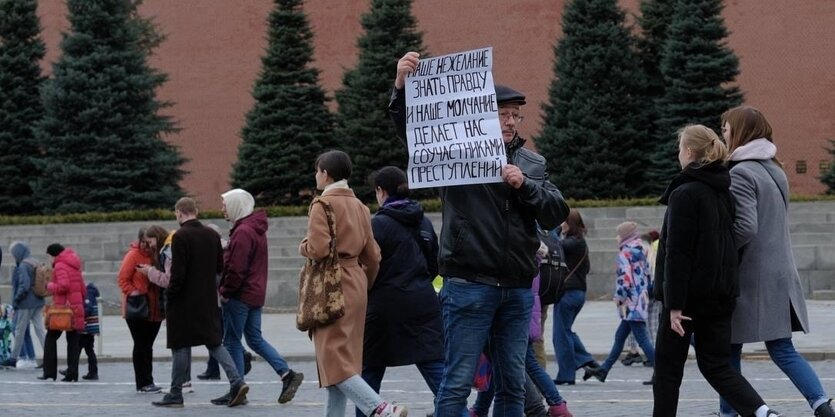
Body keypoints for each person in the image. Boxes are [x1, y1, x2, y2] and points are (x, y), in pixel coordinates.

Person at [390, 51, 569, 417]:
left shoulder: (531, 162)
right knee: (456, 383)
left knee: (511, 386)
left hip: (518, 287)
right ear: (484, 115)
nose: (510, 121)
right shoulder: (455, 153)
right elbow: (415, 131)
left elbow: (556, 210)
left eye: (515, 115)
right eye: (503, 114)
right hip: (470, 284)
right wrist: (402, 88)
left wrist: (525, 187)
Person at [651, 124, 780, 417]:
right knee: (718, 366)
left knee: (667, 372)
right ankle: (761, 412)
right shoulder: (722, 190)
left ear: (687, 152)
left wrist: (674, 305)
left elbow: (678, 254)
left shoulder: (685, 193)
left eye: (679, 149)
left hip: (686, 300)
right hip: (719, 295)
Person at [720, 106, 834, 417]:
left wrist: (718, 247)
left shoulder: (741, 171)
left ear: (741, 131)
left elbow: (745, 226)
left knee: (727, 350)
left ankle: (729, 413)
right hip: (779, 273)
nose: (723, 133)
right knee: (782, 348)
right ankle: (822, 404)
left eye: (727, 128)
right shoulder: (774, 169)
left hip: (750, 277)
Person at [300, 150, 408, 417]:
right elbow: (373, 255)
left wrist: (304, 247)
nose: (316, 176)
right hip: (356, 282)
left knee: (333, 360)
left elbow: (319, 249)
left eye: (317, 171)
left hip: (330, 287)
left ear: (325, 174)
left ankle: (381, 409)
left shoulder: (321, 205)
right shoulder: (360, 206)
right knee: (344, 361)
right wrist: (364, 283)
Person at [357, 166, 444, 417]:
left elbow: (368, 263)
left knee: (369, 372)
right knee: (435, 368)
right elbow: (434, 265)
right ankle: (456, 412)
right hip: (424, 302)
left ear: (381, 191)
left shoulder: (378, 225)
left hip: (384, 307)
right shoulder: (424, 221)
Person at [152, 197, 248, 408]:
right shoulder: (211, 234)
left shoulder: (180, 237)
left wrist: (170, 297)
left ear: (179, 213)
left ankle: (176, 393)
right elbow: (219, 268)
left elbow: (178, 275)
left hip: (183, 302)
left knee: (180, 345)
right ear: (196, 211)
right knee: (214, 343)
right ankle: (237, 381)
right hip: (207, 300)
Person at [219, 188, 303, 403]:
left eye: (225, 205)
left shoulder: (242, 232)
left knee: (232, 341)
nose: (222, 209)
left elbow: (237, 268)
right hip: (255, 293)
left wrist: (225, 291)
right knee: (254, 339)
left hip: (240, 294)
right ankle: (286, 374)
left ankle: (236, 387)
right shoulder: (254, 228)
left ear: (236, 205)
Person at [584, 222, 654, 383]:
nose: (616, 237)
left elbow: (625, 278)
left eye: (618, 234)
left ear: (625, 235)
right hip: (641, 299)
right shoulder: (642, 249)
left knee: (642, 339)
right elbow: (648, 274)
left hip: (630, 302)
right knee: (620, 337)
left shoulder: (625, 252)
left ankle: (662, 371)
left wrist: (620, 297)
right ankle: (604, 370)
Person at [550, 210, 598, 385]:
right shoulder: (580, 243)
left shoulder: (572, 243)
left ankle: (566, 374)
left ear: (568, 223)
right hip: (577, 293)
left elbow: (551, 244)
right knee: (566, 331)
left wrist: (556, 229)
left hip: (568, 294)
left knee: (560, 335)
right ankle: (586, 360)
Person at [118, 227, 165, 393]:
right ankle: (143, 382)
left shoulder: (157, 254)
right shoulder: (133, 255)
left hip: (155, 309)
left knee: (148, 346)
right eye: (143, 242)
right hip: (138, 308)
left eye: (149, 242)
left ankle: (147, 381)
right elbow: (123, 279)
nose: (146, 245)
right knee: (141, 345)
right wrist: (134, 292)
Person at [40, 243, 86, 382]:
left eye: (49, 256)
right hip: (75, 308)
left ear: (53, 255)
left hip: (62, 310)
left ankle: (49, 372)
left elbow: (64, 285)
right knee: (72, 341)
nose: (49, 259)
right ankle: (72, 373)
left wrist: (49, 286)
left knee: (50, 338)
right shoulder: (74, 265)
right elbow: (83, 289)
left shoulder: (60, 265)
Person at [0, 242, 46, 368]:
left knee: (18, 330)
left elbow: (24, 285)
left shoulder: (23, 266)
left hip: (26, 303)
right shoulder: (34, 261)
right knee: (40, 330)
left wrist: (16, 300)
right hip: (38, 301)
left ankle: (13, 358)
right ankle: (50, 356)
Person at [63, 282, 100, 380]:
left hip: (86, 328)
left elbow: (88, 309)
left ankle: (72, 370)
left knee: (77, 349)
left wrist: (78, 312)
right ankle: (92, 372)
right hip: (90, 328)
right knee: (89, 350)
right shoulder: (90, 293)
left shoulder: (88, 294)